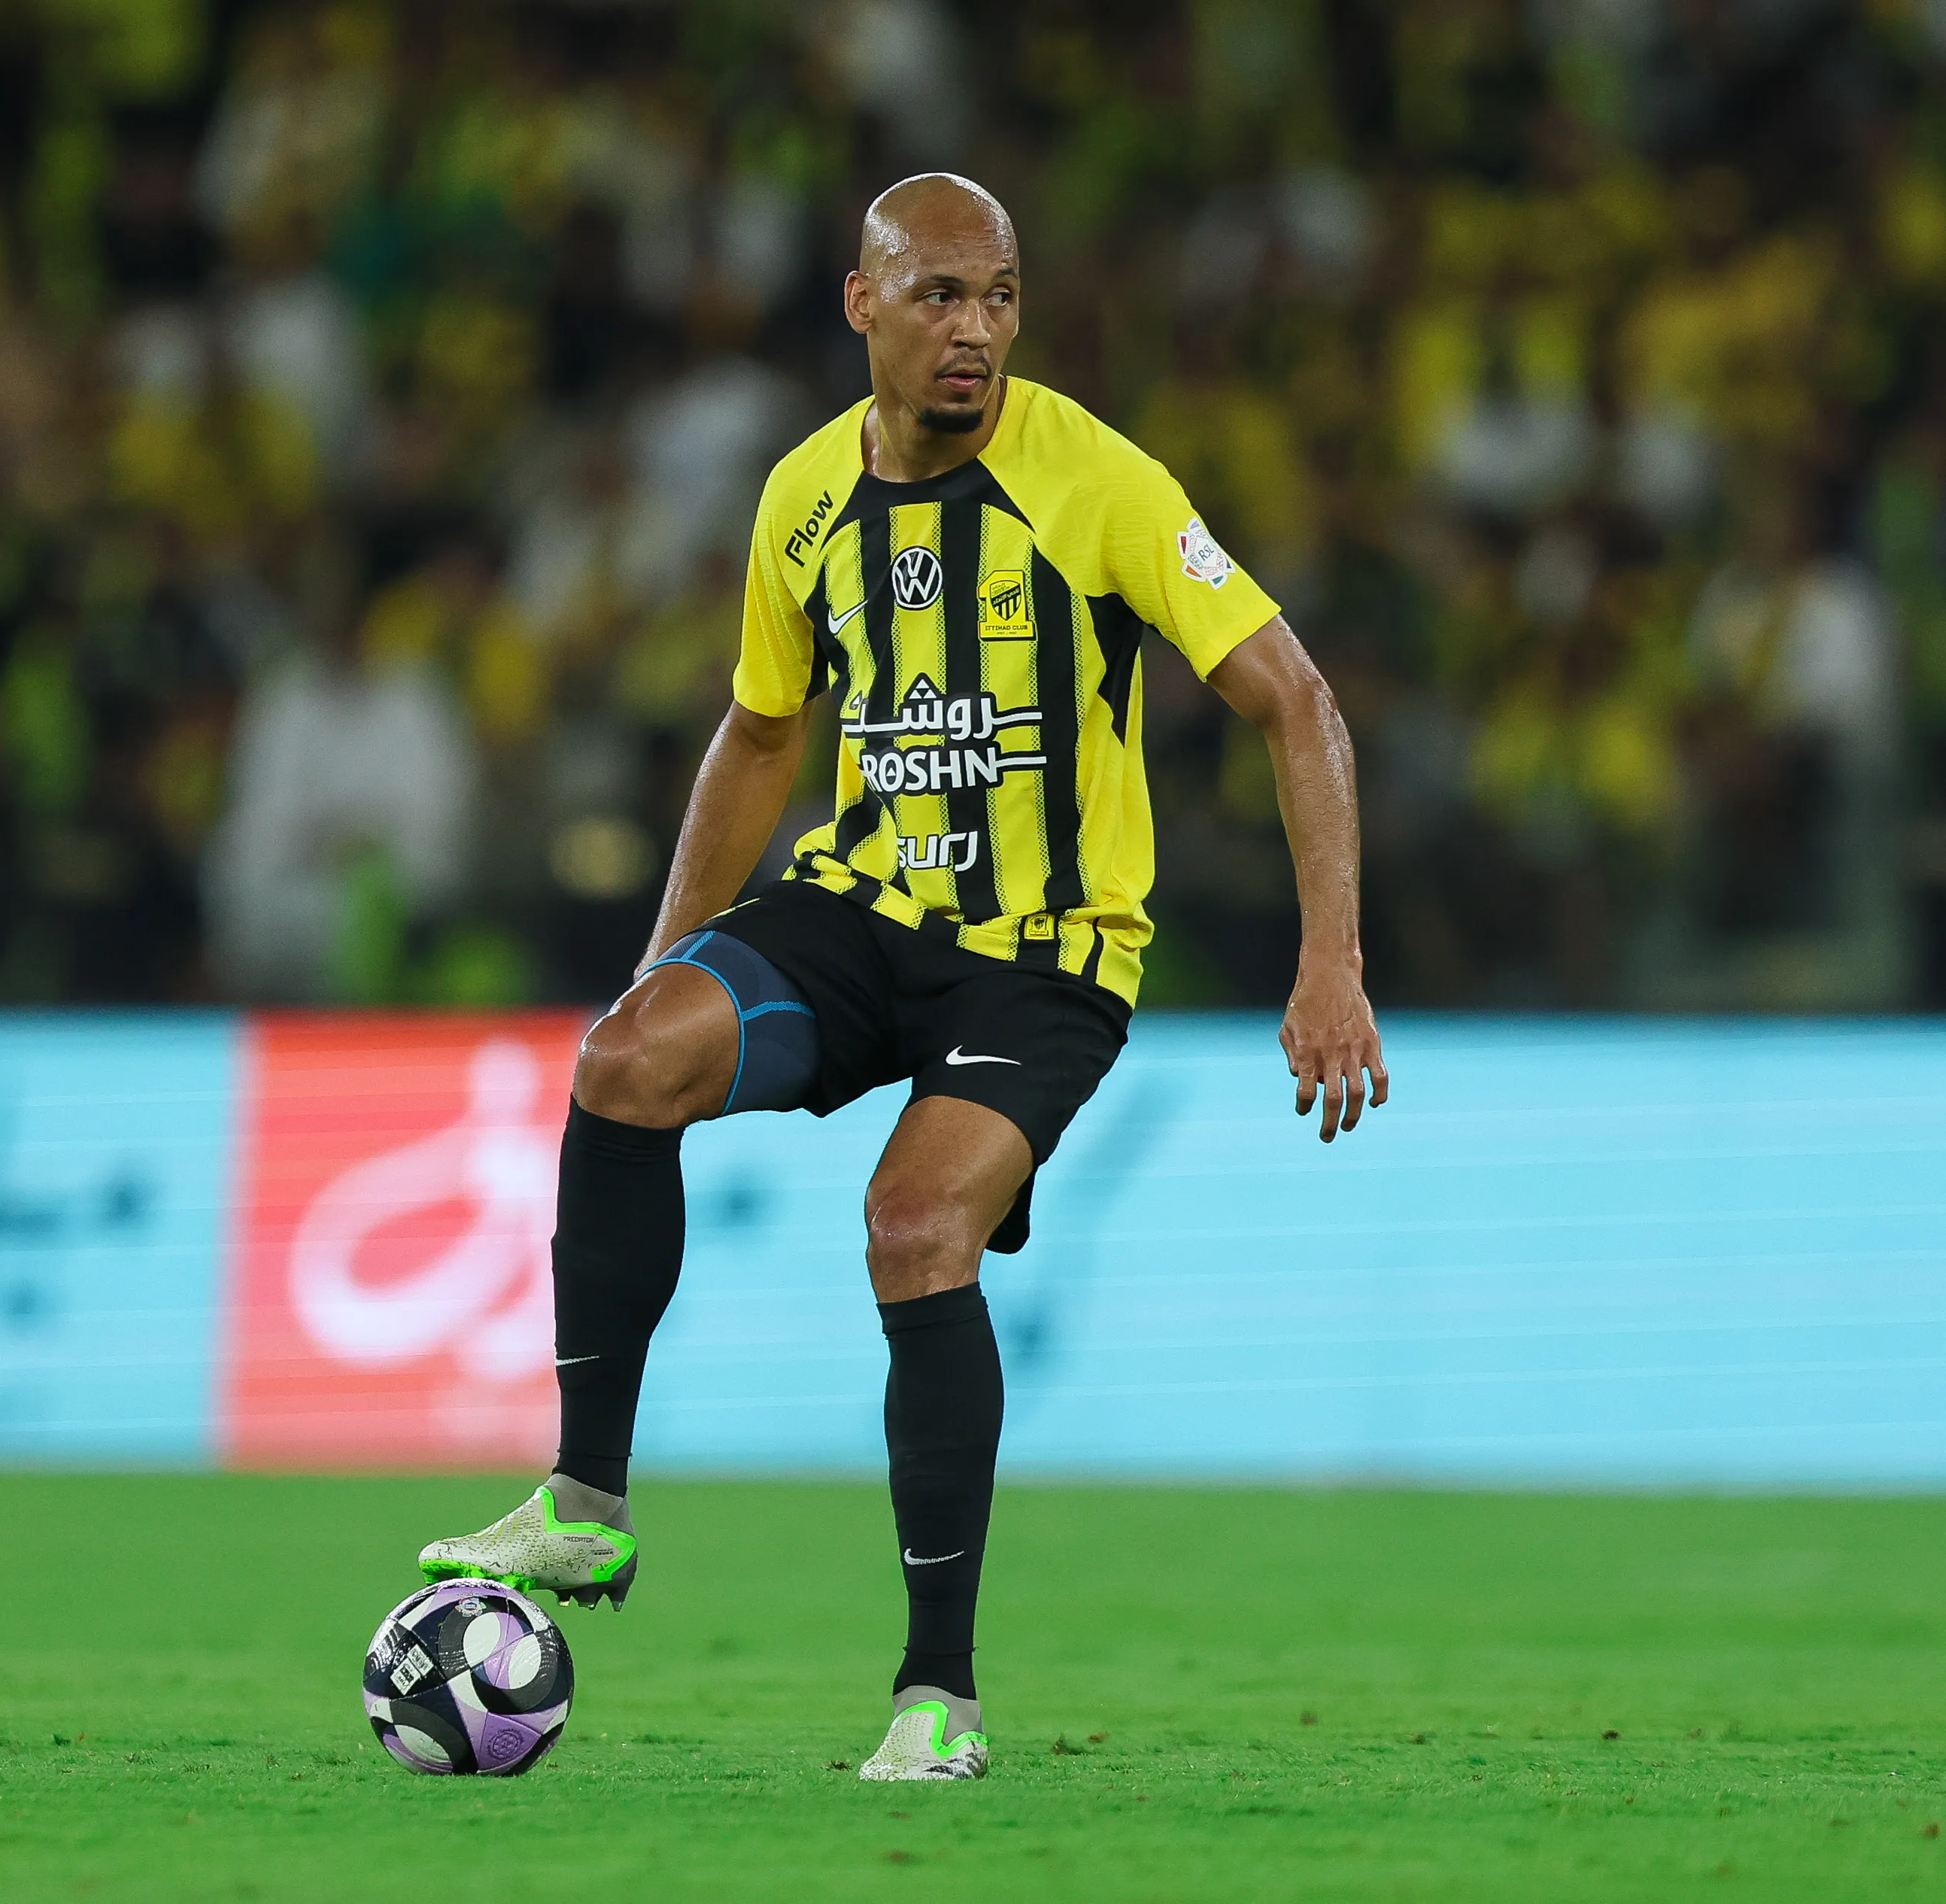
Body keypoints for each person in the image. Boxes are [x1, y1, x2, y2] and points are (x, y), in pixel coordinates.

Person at [414, 175, 1390, 1781]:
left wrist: (1329, 961)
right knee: (617, 1063)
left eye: (1000, 295)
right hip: (863, 911)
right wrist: (667, 960)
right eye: (940, 295)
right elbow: (759, 729)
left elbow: (1294, 698)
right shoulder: (801, 499)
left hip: (1042, 956)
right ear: (858, 302)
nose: (977, 331)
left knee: (912, 1227)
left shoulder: (1098, 484)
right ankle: (585, 1506)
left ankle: (937, 1694)